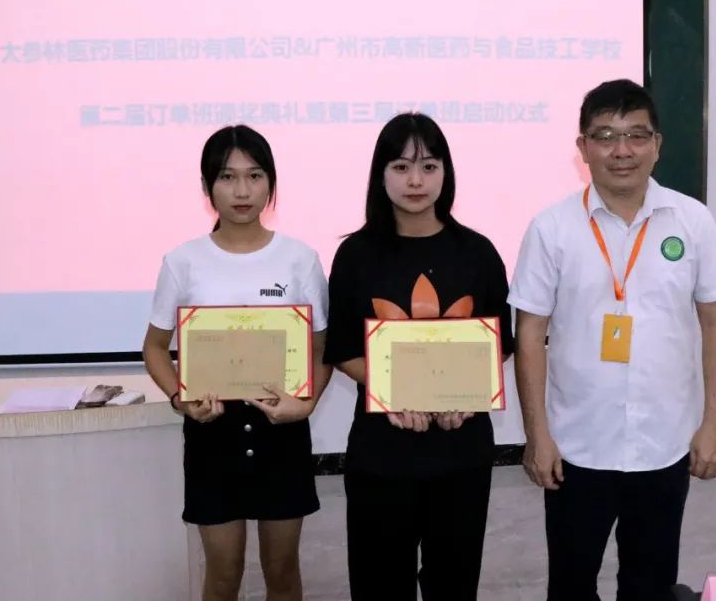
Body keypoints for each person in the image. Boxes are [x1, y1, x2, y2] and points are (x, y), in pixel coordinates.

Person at [508, 79, 716, 601]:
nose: (622, 150)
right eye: (605, 136)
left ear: (657, 144)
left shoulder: (692, 221)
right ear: (582, 147)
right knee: (571, 586)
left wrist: (714, 425)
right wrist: (537, 435)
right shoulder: (551, 228)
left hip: (664, 443)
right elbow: (530, 334)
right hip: (577, 446)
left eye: (636, 135)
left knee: (650, 585)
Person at [323, 113, 514, 601]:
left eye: (429, 166)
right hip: (381, 454)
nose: (415, 181)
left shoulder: (477, 252)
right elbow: (343, 348)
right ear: (380, 174)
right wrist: (395, 392)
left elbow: (498, 344)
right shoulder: (355, 255)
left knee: (454, 586)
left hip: (461, 451)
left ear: (446, 173)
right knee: (379, 586)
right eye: (401, 166)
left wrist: (465, 397)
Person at [142, 125, 331, 601]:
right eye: (227, 177)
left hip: (281, 433)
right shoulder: (183, 261)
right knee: (223, 576)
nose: (242, 191)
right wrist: (181, 398)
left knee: (282, 572)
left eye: (254, 175)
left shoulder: (300, 259)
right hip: (213, 433)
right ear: (207, 187)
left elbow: (321, 348)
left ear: (271, 183)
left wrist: (306, 403)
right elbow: (155, 348)